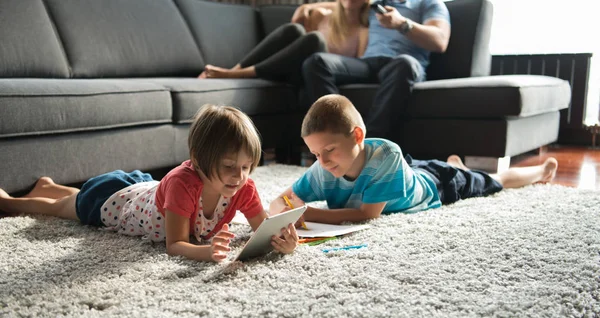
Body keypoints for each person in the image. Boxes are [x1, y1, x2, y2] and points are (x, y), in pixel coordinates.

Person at [0, 105, 299, 262]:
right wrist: (206, 253)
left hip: (149, 189)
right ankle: (11, 201)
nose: (239, 176)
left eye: (247, 167)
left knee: (74, 194)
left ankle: (48, 184)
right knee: (66, 207)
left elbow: (262, 226)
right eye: (229, 167)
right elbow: (176, 245)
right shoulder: (185, 184)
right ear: (197, 159)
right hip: (115, 200)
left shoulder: (243, 186)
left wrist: (281, 241)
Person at [269, 95, 559, 224]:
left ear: (357, 136)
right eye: (316, 153)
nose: (323, 160)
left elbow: (367, 215)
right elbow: (283, 200)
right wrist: (280, 212)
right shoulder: (323, 168)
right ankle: (455, 164)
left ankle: (540, 170)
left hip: (437, 185)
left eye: (329, 149)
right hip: (407, 174)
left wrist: (306, 213)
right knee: (427, 169)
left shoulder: (386, 155)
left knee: (494, 181)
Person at [301, 0, 451, 140]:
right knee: (316, 61)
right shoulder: (375, 4)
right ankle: (338, 138)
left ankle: (368, 144)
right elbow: (343, 4)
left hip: (402, 64)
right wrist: (306, 7)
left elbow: (440, 41)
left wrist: (401, 24)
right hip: (368, 64)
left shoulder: (429, 3)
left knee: (405, 63)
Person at [199, 0, 369, 82]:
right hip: (290, 65)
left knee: (315, 39)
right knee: (294, 30)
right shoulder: (324, 14)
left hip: (316, 73)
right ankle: (235, 70)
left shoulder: (363, 29)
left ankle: (234, 75)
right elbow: (297, 34)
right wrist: (306, 8)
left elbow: (357, 66)